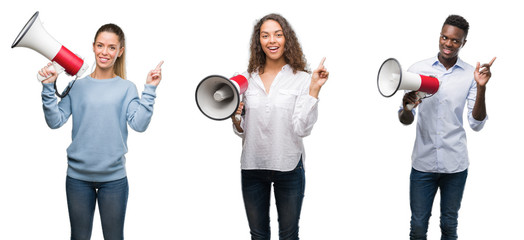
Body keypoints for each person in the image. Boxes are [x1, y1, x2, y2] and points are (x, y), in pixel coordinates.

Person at [39, 23, 163, 240]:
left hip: (114, 180)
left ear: (120, 51)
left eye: (111, 47)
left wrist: (150, 89)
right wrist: (49, 87)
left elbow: (139, 125)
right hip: (77, 179)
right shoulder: (76, 85)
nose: (105, 52)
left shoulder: (127, 88)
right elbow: (55, 121)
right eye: (100, 45)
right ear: (93, 47)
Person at [231, 13, 329, 240]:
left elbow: (302, 129)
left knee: (288, 235)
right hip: (252, 166)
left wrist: (314, 90)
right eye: (265, 36)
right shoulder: (245, 79)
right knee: (258, 235)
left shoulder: (302, 79)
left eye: (278, 34)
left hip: (288, 166)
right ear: (259, 42)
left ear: (287, 39)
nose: (272, 41)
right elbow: (242, 131)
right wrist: (235, 116)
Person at [398, 15, 495, 240]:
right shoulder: (417, 69)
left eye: (455, 40)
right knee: (418, 226)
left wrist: (481, 88)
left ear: (463, 43)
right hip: (423, 164)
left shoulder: (471, 75)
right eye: (444, 37)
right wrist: (406, 107)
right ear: (439, 36)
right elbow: (405, 119)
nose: (448, 44)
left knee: (449, 225)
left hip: (455, 165)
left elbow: (477, 124)